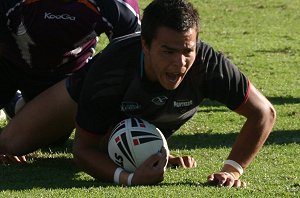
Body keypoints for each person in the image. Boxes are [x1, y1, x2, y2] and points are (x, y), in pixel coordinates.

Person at [71, 0, 276, 187]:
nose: (179, 63)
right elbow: (83, 149)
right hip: (75, 92)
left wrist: (231, 171)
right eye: (168, 51)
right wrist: (130, 179)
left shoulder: (207, 64)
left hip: (120, 127)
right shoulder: (114, 65)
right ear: (145, 45)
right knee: (40, 138)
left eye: (187, 51)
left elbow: (264, 113)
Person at [0, 0, 140, 163]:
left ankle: (17, 105)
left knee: (51, 139)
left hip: (65, 78)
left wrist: (139, 139)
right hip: (9, 66)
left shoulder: (114, 5)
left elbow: (132, 59)